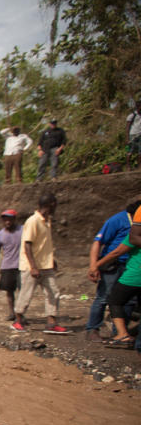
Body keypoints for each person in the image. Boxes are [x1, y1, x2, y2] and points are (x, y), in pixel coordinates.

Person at [13, 192, 69, 333]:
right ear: (50, 205)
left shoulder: (47, 221)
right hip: (32, 266)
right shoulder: (33, 221)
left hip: (46, 265)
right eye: (54, 204)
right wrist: (33, 267)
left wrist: (51, 259)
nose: (56, 207)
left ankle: (51, 322)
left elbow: (43, 244)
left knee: (53, 293)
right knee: (26, 294)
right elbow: (27, 245)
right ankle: (18, 320)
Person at [85, 201, 138, 342]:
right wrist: (94, 265)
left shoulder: (136, 225)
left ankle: (120, 332)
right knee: (104, 297)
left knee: (128, 301)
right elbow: (99, 243)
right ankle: (92, 329)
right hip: (112, 264)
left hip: (130, 266)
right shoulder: (117, 220)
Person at [0, 209, 23, 321]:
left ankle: (21, 314)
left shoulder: (23, 230)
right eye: (5, 219)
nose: (7, 222)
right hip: (7, 266)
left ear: (14, 219)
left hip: (22, 266)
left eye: (9, 219)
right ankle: (12, 313)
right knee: (9, 292)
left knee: (22, 291)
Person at [127, 97, 141, 170]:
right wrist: (127, 138)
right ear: (138, 107)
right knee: (130, 151)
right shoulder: (132, 115)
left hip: (140, 135)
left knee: (140, 152)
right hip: (133, 135)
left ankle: (139, 166)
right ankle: (128, 166)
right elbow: (128, 127)